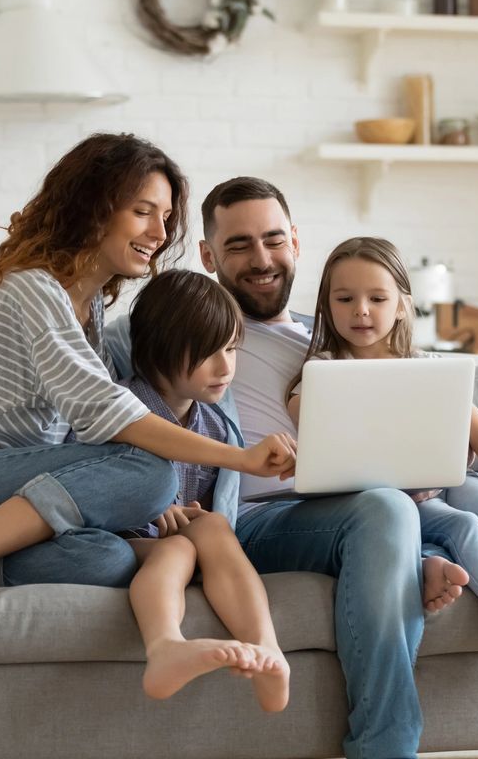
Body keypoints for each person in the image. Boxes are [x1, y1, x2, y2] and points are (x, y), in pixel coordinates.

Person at [104, 176, 470, 759]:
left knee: (394, 505)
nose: (262, 259)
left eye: (273, 240)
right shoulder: (187, 327)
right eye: (240, 245)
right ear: (207, 255)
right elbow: (99, 389)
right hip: (242, 519)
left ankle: (410, 561)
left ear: (295, 241)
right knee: (385, 509)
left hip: (338, 507)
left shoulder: (334, 335)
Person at [0, 136, 295, 598]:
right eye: (143, 211)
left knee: (105, 558)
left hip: (10, 489)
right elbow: (108, 415)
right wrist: (242, 457)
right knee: (149, 473)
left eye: (166, 217)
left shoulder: (88, 308)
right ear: (92, 208)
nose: (160, 233)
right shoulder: (33, 291)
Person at [286, 235, 478, 660]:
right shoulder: (324, 373)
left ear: (403, 304)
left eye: (377, 297)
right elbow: (318, 437)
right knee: (464, 527)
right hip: (398, 500)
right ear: (327, 306)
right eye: (345, 298)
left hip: (450, 480)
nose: (361, 310)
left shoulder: (428, 368)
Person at [113, 268, 290, 710]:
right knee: (180, 550)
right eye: (208, 353)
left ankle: (268, 650)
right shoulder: (120, 408)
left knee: (211, 530)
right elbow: (91, 484)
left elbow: (212, 504)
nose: (226, 366)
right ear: (159, 351)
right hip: (126, 540)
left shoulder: (215, 424)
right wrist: (150, 509)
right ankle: (166, 646)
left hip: (188, 538)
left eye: (231, 348)